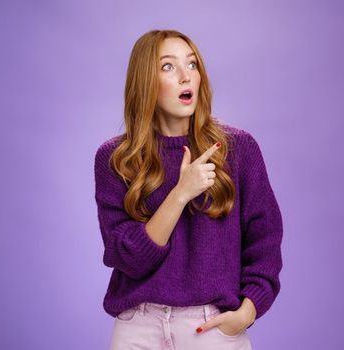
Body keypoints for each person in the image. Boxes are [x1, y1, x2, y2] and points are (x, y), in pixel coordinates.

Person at [94, 29, 283, 350]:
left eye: (192, 64)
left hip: (210, 328)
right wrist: (181, 193)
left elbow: (265, 240)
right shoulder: (116, 159)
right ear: (145, 82)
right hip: (138, 329)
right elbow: (130, 259)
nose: (186, 76)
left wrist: (247, 311)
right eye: (168, 67)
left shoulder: (237, 148)